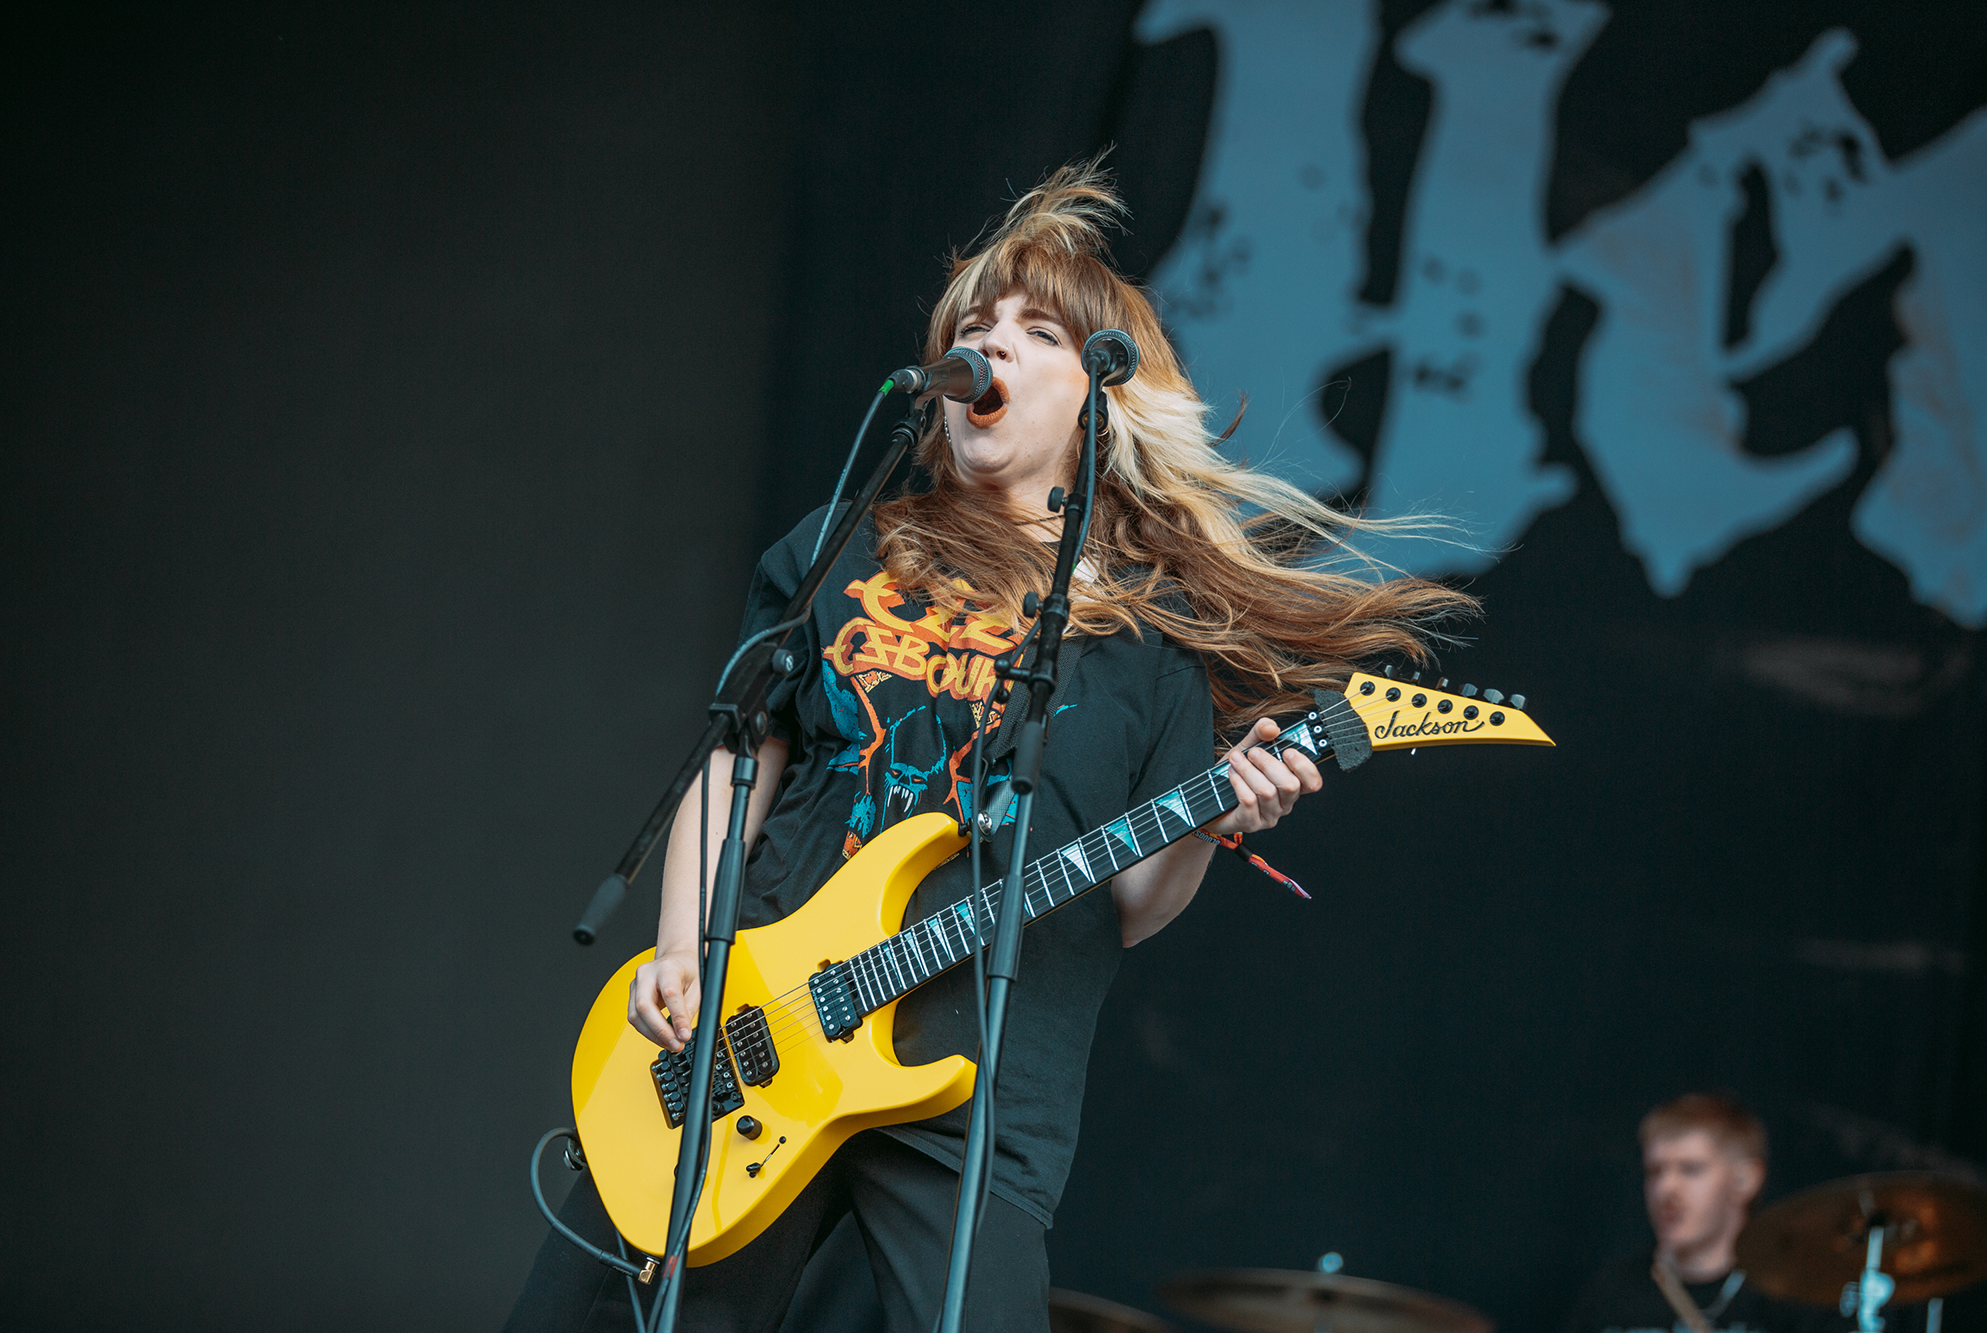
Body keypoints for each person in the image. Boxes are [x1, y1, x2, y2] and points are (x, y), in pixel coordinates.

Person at [505, 161, 1473, 1333]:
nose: (987, 345)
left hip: (980, 1074)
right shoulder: (846, 546)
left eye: (1033, 331)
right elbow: (736, 757)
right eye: (970, 328)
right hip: (764, 1028)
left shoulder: (1156, 635)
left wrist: (1215, 820)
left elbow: (1129, 905)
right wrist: (681, 950)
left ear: (1099, 397)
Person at [1564, 1093, 1849, 1333]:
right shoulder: (1611, 1294)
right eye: (1655, 1171)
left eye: (1691, 1169)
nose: (1666, 1188)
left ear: (1745, 1179)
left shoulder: (1793, 1295)